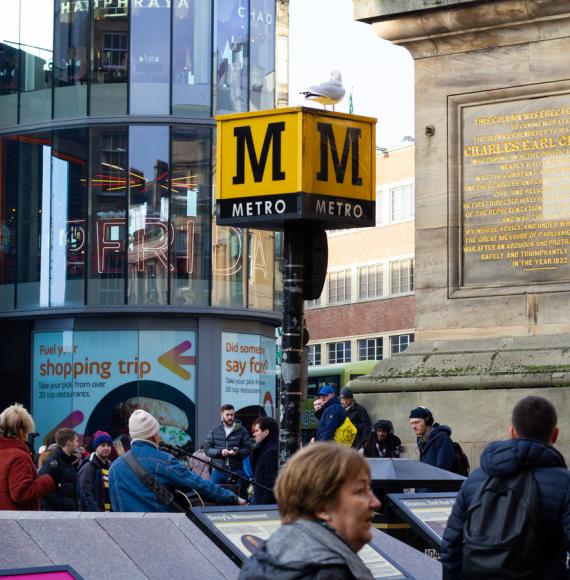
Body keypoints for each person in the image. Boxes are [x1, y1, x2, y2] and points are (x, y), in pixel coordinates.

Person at [441, 396, 570, 579]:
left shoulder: (475, 479)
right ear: (555, 435)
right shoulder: (564, 484)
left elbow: (450, 545)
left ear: (512, 432)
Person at [239, 443, 380, 579]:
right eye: (360, 491)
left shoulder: (262, 559)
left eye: (370, 489)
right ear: (322, 507)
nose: (375, 503)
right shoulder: (331, 574)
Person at [109, 409, 245, 512]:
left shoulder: (114, 467)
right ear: (155, 435)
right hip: (161, 533)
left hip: (127, 536)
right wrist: (232, 497)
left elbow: (116, 509)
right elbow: (199, 484)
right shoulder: (164, 460)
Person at [0, 404, 55, 510]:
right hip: (15, 521)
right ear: (21, 431)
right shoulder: (19, 457)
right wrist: (47, 481)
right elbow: (21, 493)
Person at [203, 404, 251, 497]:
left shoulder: (242, 430)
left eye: (232, 415)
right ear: (221, 414)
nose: (230, 417)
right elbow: (207, 449)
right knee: (213, 497)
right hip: (218, 471)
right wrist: (220, 452)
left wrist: (238, 452)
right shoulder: (214, 430)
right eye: (227, 415)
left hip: (236, 471)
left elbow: (248, 449)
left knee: (238, 498)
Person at [38, 428, 80, 511]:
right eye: (76, 441)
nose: (77, 444)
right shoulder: (53, 463)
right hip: (55, 514)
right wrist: (64, 503)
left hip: (65, 512)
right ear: (69, 443)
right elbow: (45, 490)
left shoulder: (68, 461)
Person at [409, 406, 455, 472]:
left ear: (428, 421)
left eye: (417, 422)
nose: (413, 426)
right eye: (412, 423)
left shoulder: (442, 438)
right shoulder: (421, 439)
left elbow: (444, 470)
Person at [78, 431, 113, 511]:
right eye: (103, 445)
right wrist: (96, 513)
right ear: (96, 447)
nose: (106, 448)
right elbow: (85, 493)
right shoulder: (89, 466)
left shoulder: (111, 466)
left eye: (109, 445)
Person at [250, 417, 278, 505]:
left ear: (266, 432)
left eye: (257, 431)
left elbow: (270, 485)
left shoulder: (272, 451)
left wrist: (264, 508)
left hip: (264, 506)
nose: (254, 434)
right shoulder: (264, 449)